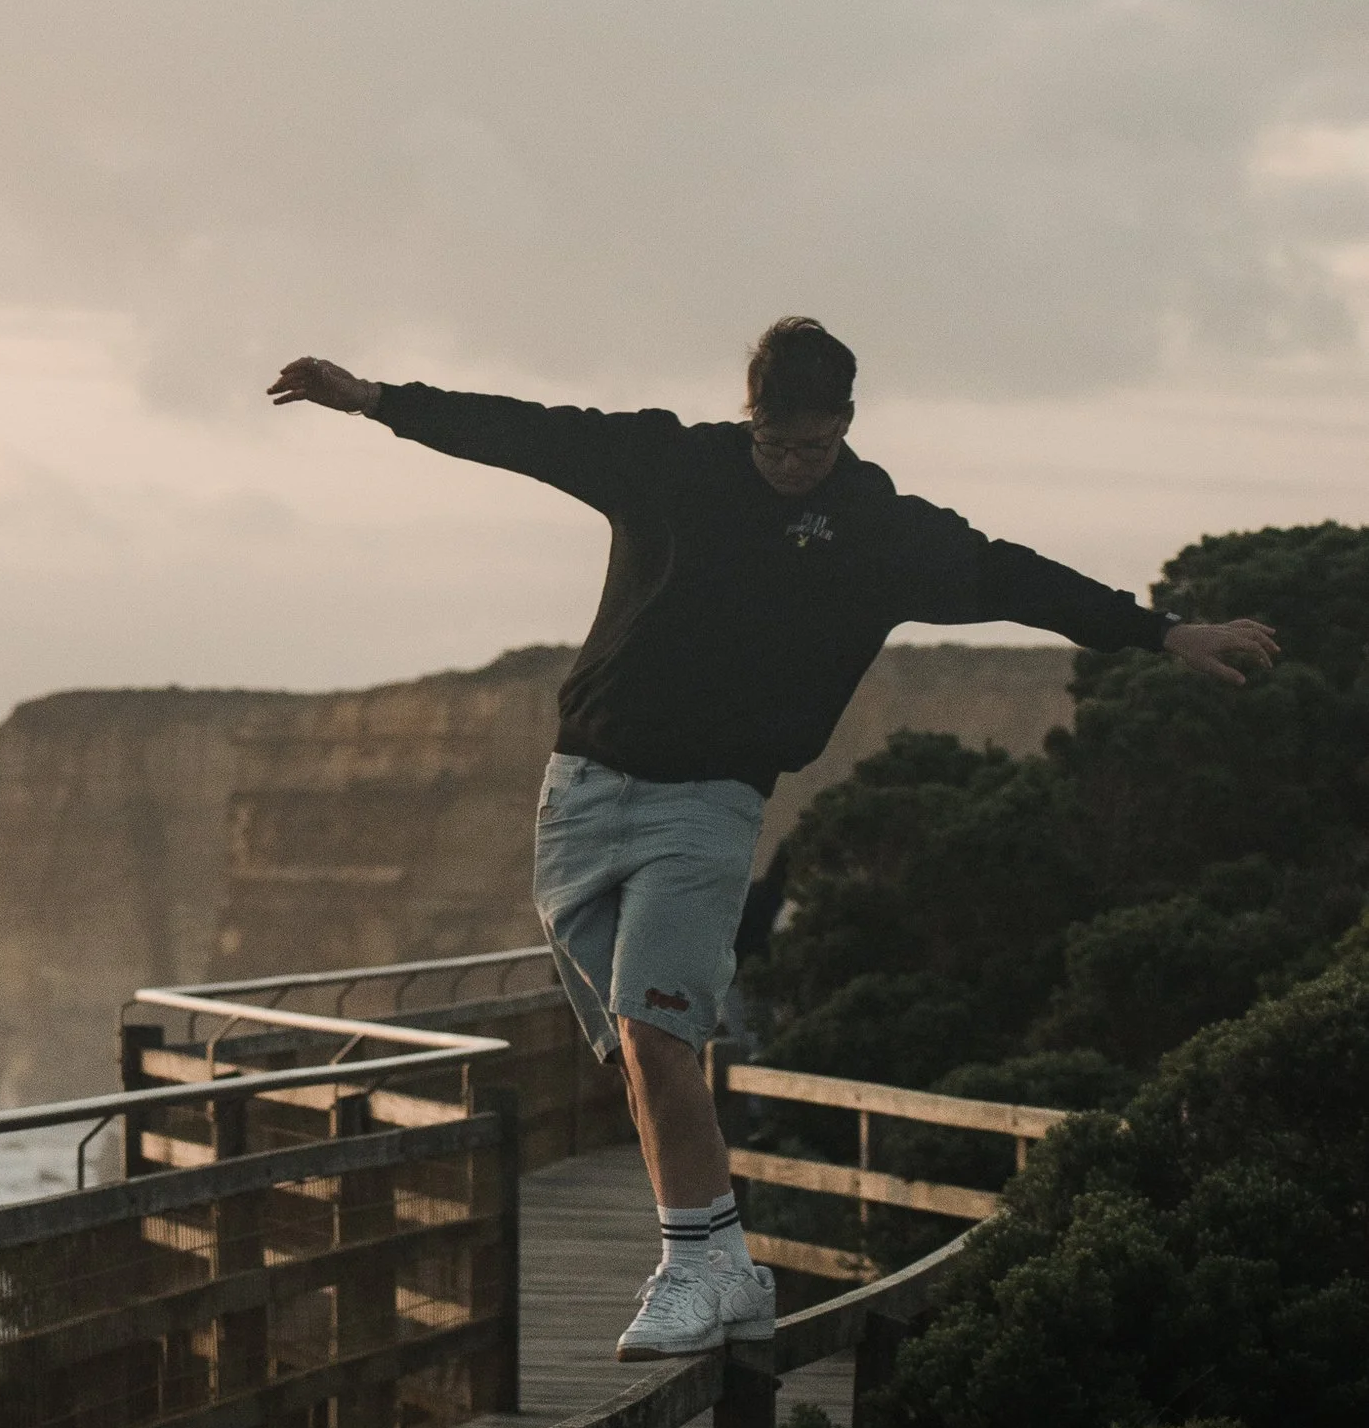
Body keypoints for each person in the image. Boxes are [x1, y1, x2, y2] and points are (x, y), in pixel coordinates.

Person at [268, 318, 1279, 1361]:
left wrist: (1162, 630)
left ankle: (699, 1263)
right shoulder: (671, 463)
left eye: (812, 448)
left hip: (707, 806)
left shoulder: (874, 524)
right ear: (748, 417)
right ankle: (729, 1270)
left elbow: (1010, 574)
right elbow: (529, 432)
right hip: (576, 797)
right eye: (774, 445)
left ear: (842, 425)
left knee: (661, 1032)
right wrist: (380, 400)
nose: (793, 468)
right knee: (632, 1045)